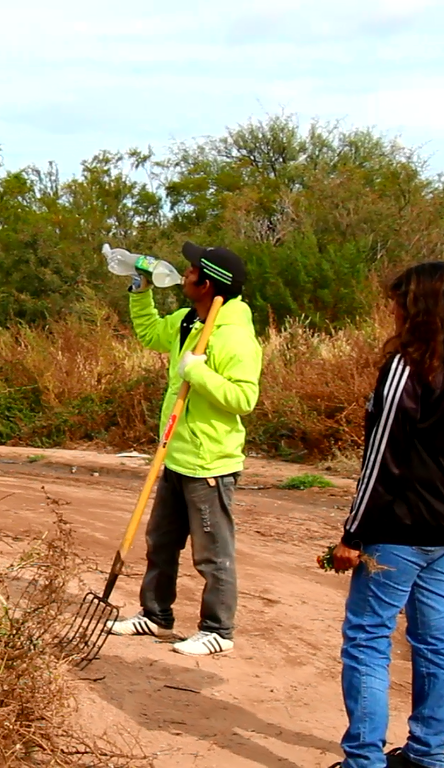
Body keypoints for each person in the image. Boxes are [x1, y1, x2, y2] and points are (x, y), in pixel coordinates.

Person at [326, 262, 444, 768]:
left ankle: (363, 759)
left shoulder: (408, 365)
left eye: (399, 300)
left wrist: (353, 535)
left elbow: (382, 456)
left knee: (366, 638)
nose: (393, 309)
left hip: (401, 527)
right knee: (433, 638)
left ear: (417, 307)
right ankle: (429, 754)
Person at [106, 241, 262, 657]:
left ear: (207, 283)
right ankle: (156, 615)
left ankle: (217, 629)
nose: (185, 273)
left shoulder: (235, 337)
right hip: (174, 453)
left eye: (192, 270)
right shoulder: (187, 321)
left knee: (212, 553)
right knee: (161, 541)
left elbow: (244, 398)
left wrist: (201, 373)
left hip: (209, 460)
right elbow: (149, 333)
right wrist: (140, 292)